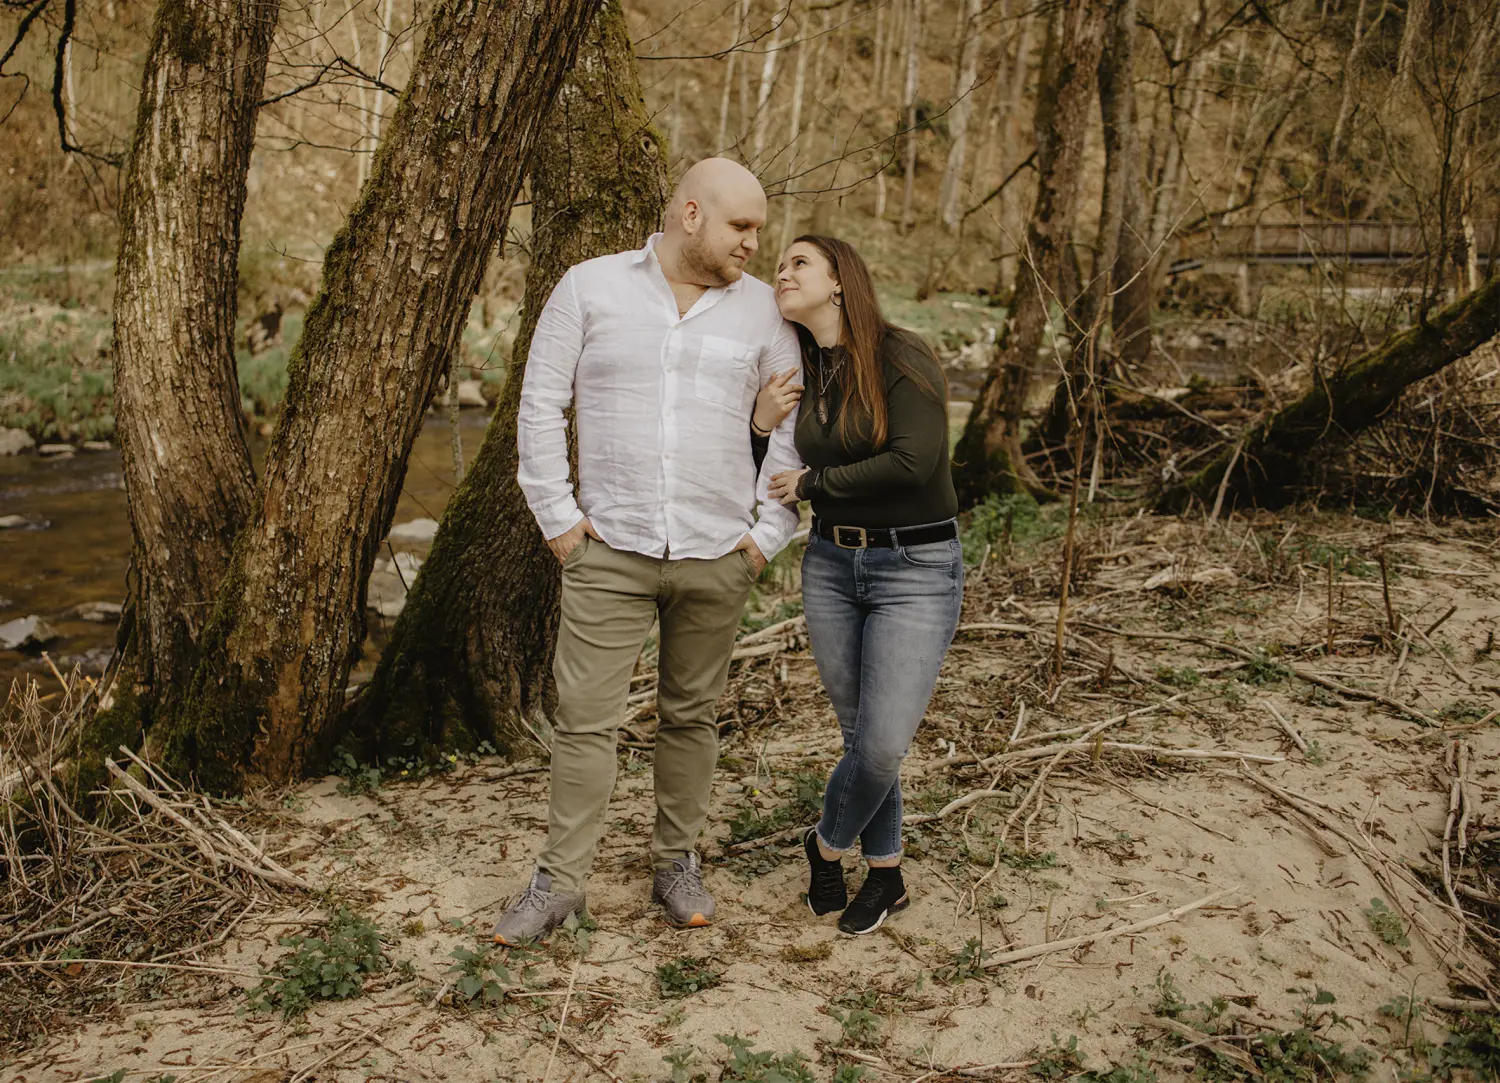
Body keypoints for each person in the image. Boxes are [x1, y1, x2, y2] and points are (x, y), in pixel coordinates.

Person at [497, 158, 804, 945]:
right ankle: (560, 881)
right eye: (742, 226)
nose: (754, 243)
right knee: (585, 721)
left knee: (691, 717)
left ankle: (676, 862)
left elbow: (794, 428)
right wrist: (558, 519)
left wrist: (765, 537)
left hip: (716, 553)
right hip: (610, 548)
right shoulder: (589, 286)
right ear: (692, 214)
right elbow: (540, 401)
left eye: (760, 230)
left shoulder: (767, 312)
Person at [766, 235, 962, 936]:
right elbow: (776, 464)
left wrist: (817, 484)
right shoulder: (805, 370)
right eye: (779, 265)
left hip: (915, 568)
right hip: (829, 566)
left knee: (880, 744)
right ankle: (886, 874)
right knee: (860, 735)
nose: (782, 273)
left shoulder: (901, 355)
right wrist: (762, 424)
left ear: (840, 283)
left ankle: (823, 844)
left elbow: (916, 460)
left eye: (799, 263)